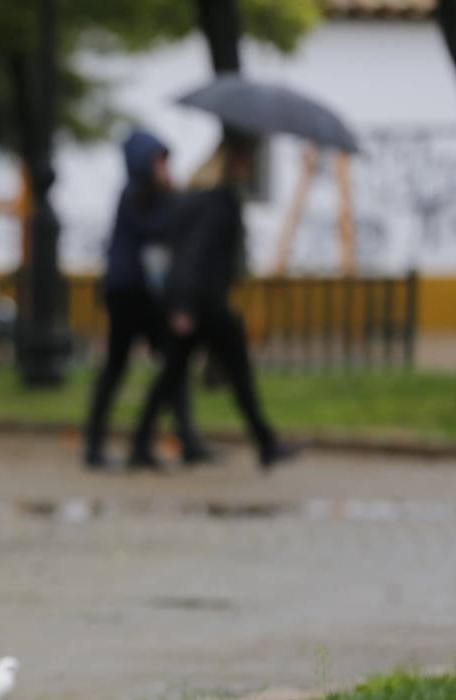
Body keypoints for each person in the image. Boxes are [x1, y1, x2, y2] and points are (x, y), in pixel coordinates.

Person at [129, 132, 299, 470]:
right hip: (204, 304)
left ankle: (140, 445)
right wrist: (185, 306)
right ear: (231, 163)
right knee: (236, 373)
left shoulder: (195, 197)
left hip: (195, 301)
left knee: (173, 375)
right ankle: (265, 443)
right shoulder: (218, 202)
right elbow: (195, 254)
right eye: (245, 160)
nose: (250, 167)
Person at [83, 129, 210, 469]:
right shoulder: (136, 195)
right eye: (160, 162)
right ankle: (97, 445)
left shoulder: (149, 194)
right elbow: (159, 228)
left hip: (145, 295)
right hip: (129, 294)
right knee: (121, 366)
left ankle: (175, 439)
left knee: (173, 362)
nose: (166, 169)